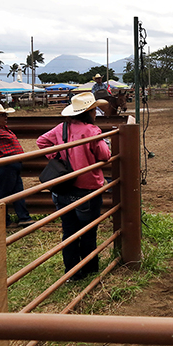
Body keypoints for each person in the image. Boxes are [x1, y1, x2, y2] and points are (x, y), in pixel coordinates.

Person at [37, 92, 111, 281]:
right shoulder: (92, 131)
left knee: (69, 230)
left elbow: (41, 141)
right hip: (87, 187)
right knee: (88, 230)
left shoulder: (61, 128)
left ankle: (72, 271)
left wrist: (58, 158)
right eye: (94, 110)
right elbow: (104, 155)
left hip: (64, 187)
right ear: (89, 112)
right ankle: (90, 268)